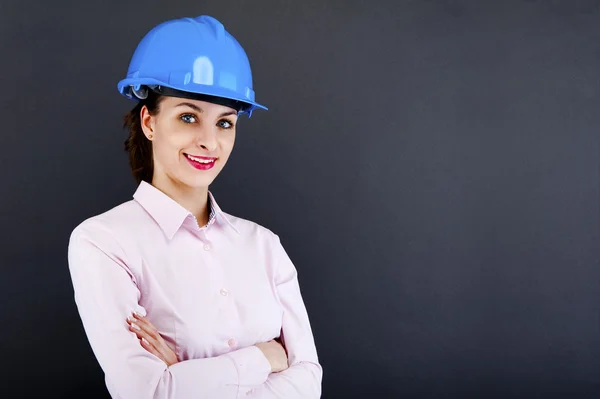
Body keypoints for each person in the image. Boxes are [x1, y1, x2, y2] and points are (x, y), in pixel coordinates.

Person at [67, 15, 322, 399]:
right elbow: (146, 392)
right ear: (149, 121)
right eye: (189, 117)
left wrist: (184, 377)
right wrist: (264, 357)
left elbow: (308, 385)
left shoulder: (264, 245)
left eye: (225, 123)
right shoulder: (103, 242)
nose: (210, 142)